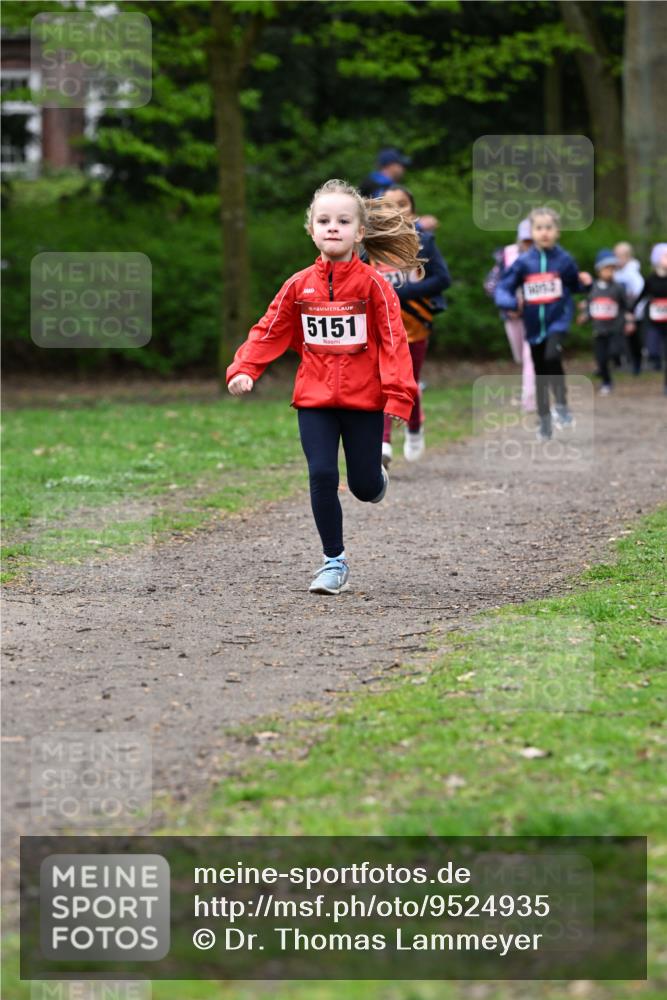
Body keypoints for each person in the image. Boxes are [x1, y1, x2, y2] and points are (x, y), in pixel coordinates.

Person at [226, 179, 420, 595]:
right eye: (324, 220)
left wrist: (399, 397)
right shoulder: (298, 286)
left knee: (364, 487)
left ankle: (375, 481)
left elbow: (394, 343)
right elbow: (269, 330)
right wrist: (245, 368)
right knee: (321, 473)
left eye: (343, 221)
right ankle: (334, 561)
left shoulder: (376, 287)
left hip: (363, 401)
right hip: (314, 399)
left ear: (360, 233)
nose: (333, 227)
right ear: (311, 229)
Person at [367, 184, 451, 465]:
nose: (395, 211)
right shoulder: (369, 246)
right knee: (383, 382)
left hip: (414, 326)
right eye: (387, 206)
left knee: (408, 383)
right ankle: (383, 442)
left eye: (401, 204)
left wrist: (401, 292)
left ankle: (415, 427)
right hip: (380, 329)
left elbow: (442, 280)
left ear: (412, 211)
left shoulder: (424, 242)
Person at [494, 206, 592, 441]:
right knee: (540, 373)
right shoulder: (524, 262)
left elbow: (575, 285)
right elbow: (503, 288)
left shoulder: (565, 260)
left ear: (557, 231)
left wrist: (585, 283)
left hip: (558, 320)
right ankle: (544, 421)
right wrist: (510, 303)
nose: (544, 232)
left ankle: (562, 405)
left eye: (549, 228)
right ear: (532, 232)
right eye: (539, 228)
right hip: (533, 325)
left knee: (551, 357)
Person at [484, 219, 536, 413]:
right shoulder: (507, 255)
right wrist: (511, 304)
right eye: (526, 240)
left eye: (532, 240)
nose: (529, 244)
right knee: (520, 356)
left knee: (531, 355)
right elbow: (491, 285)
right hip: (512, 315)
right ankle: (531, 387)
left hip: (536, 315)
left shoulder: (546, 257)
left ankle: (529, 400)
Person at [577, 249, 632, 395]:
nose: (610, 272)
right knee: (600, 359)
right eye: (606, 268)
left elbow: (626, 305)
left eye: (612, 269)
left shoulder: (618, 288)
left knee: (613, 352)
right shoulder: (593, 289)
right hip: (599, 329)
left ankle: (619, 360)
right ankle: (606, 382)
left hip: (615, 328)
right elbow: (590, 306)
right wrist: (585, 315)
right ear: (599, 270)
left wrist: (628, 320)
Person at [634, 242, 667, 393]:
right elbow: (642, 296)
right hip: (654, 321)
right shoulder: (651, 279)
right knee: (652, 350)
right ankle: (655, 361)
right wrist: (630, 310)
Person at [613, 241, 644, 374]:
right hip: (617, 313)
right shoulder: (616, 273)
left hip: (632, 312)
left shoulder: (633, 274)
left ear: (627, 256)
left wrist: (633, 311)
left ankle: (637, 364)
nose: (617, 258)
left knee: (633, 340)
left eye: (619, 255)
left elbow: (640, 292)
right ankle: (619, 362)